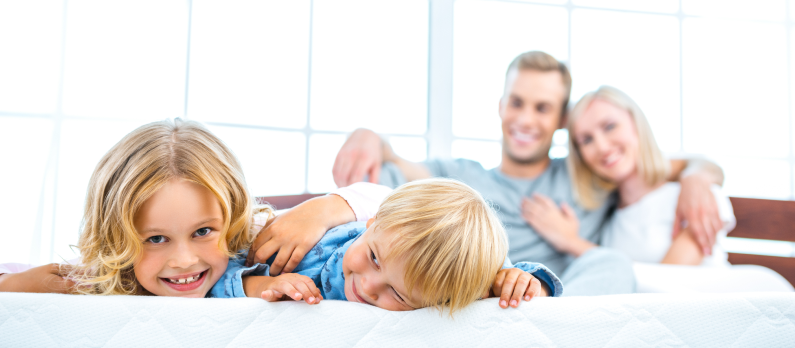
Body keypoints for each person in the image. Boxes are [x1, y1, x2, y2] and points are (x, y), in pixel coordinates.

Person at [0, 119, 559, 314]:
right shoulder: (326, 244)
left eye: (201, 232)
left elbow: (472, 268)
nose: (362, 284)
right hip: (282, 223)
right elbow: (370, 204)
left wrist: (520, 279)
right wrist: (323, 211)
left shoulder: (421, 268)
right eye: (155, 239)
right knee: (62, 279)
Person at [317, 51, 726, 296]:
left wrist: (695, 178)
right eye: (517, 102)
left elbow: (675, 163)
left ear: (561, 121)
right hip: (481, 283)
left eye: (543, 108)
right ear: (501, 106)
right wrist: (370, 136)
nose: (526, 119)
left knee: (611, 264)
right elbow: (396, 169)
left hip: (546, 296)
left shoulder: (587, 175)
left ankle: (556, 324)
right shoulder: (459, 176)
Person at [525, 86, 733, 266]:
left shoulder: (697, 197)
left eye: (610, 127)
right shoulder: (609, 219)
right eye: (586, 140)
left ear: (635, 123)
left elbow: (667, 288)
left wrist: (572, 242)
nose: (602, 147)